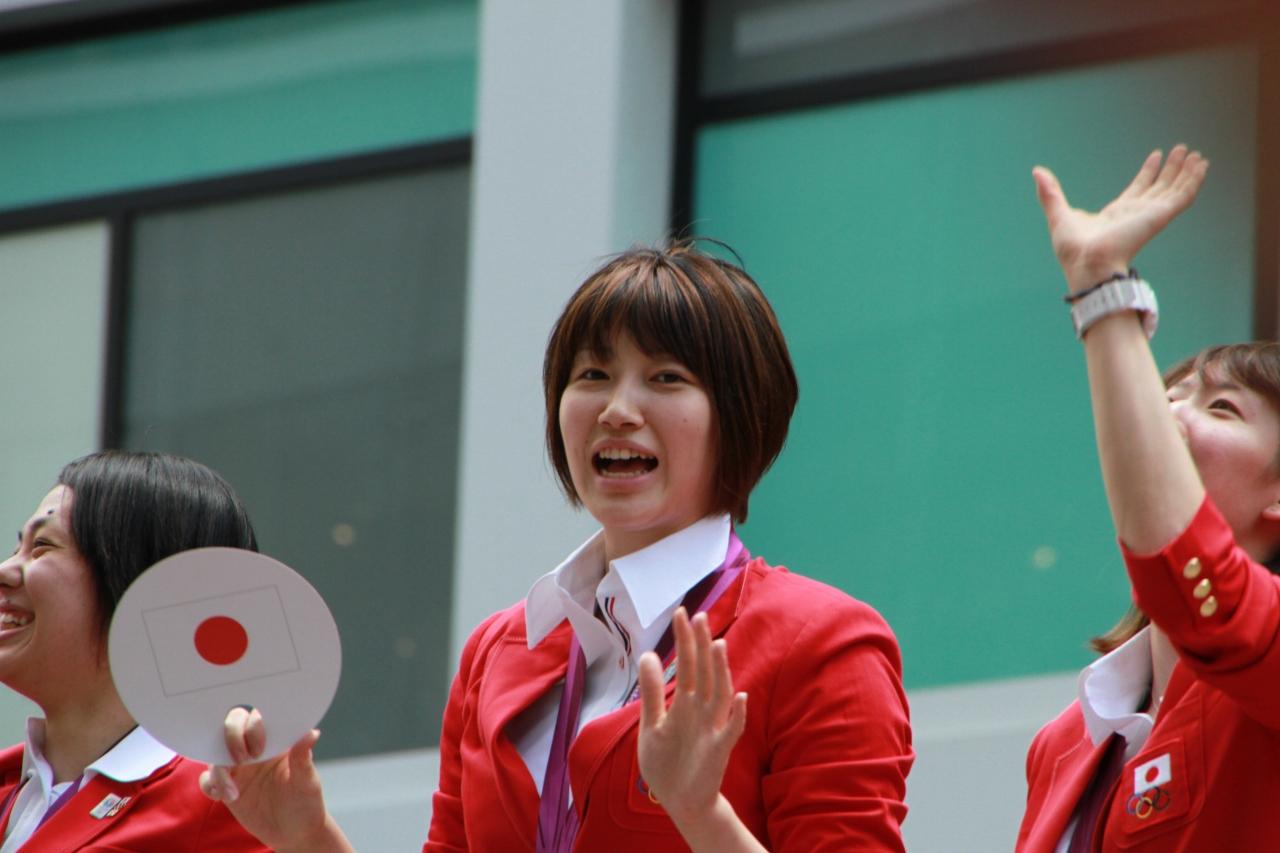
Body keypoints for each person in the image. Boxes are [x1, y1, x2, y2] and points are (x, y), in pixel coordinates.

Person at [205, 242, 914, 851]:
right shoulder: (496, 652)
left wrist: (701, 813)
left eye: (666, 377)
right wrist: (308, 837)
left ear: (740, 414)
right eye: (592, 375)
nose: (617, 409)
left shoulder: (821, 643)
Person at [1017, 145, 1280, 851]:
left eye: (1221, 406)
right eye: (1168, 391)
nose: (1168, 410)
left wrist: (1104, 292)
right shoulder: (1064, 742)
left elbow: (1202, 590)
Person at [0, 450, 268, 851]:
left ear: (153, 593)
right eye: (17, 548)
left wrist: (307, 835)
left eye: (42, 546)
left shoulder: (222, 800)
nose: (5, 571)